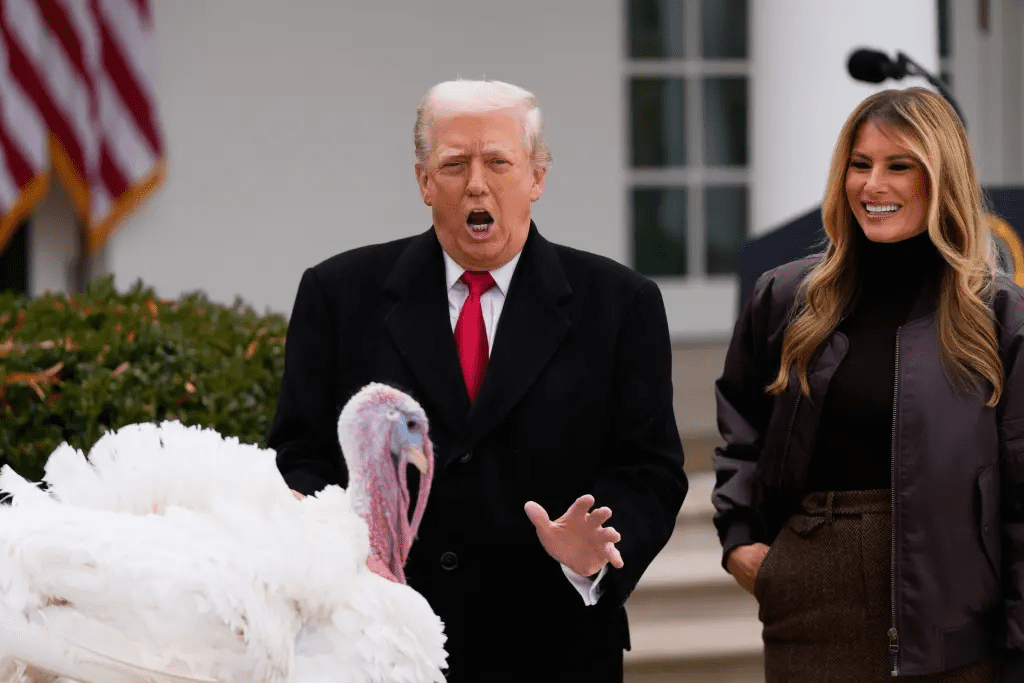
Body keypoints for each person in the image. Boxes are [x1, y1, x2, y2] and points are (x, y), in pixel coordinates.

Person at [269, 79, 687, 682]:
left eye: (498, 162)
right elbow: (299, 457)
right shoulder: (338, 296)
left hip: (553, 648)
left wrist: (593, 551)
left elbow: (650, 469)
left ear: (537, 176)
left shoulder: (621, 304)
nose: (475, 183)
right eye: (453, 164)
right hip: (383, 647)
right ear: (423, 181)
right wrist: (339, 547)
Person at [712, 86, 1024, 681]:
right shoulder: (785, 297)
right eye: (860, 165)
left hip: (958, 624)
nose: (872, 185)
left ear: (942, 177)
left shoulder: (1000, 317)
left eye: (898, 166)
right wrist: (741, 540)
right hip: (811, 607)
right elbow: (741, 429)